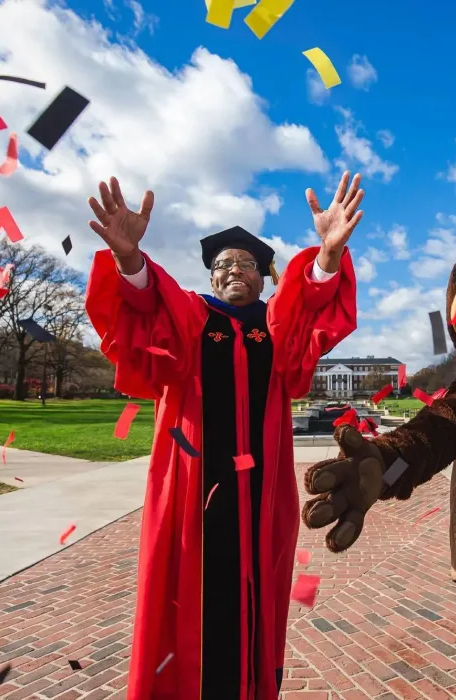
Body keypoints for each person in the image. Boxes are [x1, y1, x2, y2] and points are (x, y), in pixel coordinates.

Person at [84, 172, 363, 700]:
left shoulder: (275, 328)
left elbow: (309, 305)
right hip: (191, 494)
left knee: (256, 602)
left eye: (247, 264)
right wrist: (130, 260)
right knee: (186, 597)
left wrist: (327, 256)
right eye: (224, 264)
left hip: (261, 499)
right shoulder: (190, 318)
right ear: (211, 278)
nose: (235, 270)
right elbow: (146, 304)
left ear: (263, 277)